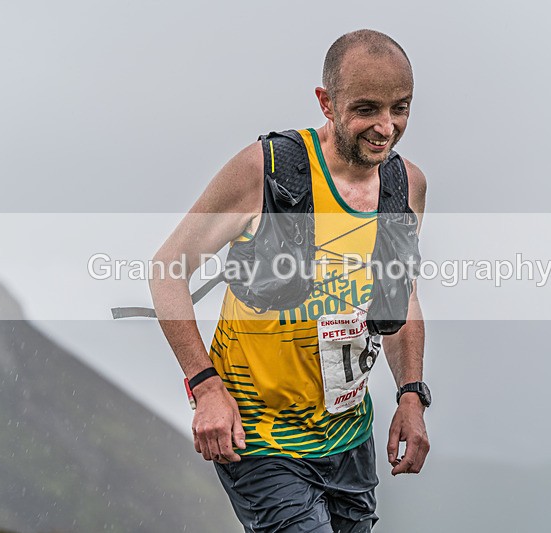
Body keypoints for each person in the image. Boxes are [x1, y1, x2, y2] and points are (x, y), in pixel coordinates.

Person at [149, 29, 430, 533]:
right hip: (259, 439)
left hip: (348, 437)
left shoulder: (405, 186)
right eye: (367, 109)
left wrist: (411, 393)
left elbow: (400, 295)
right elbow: (167, 268)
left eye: (401, 108)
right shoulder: (268, 169)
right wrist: (204, 385)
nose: (386, 127)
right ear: (326, 102)